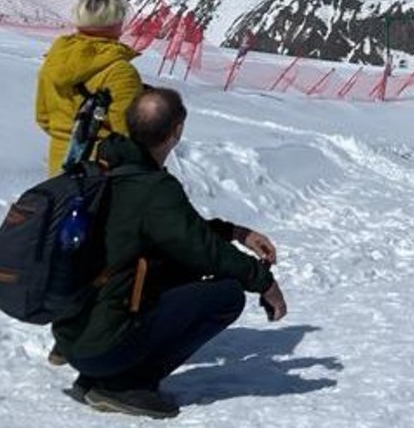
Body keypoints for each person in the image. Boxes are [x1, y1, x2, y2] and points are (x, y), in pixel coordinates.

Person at [52, 87, 287, 419]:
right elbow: (204, 251)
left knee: (177, 267)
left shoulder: (107, 167)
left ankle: (98, 376)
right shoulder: (153, 188)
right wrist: (264, 283)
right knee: (227, 295)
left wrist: (236, 233)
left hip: (73, 337)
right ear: (176, 131)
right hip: (100, 347)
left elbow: (182, 232)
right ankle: (125, 383)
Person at [36, 0, 144, 175]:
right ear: (118, 23)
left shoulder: (54, 61)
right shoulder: (120, 72)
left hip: (58, 168)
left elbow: (43, 117)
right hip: (102, 172)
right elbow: (126, 135)